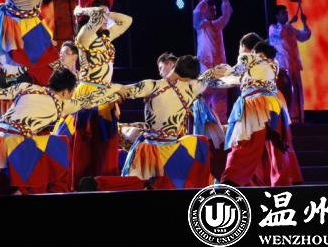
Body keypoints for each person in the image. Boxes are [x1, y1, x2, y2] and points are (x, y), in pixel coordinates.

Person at [0, 68, 123, 195]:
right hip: (13, 145)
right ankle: (53, 191)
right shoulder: (62, 104)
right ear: (66, 91)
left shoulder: (27, 87)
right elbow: (92, 98)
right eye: (71, 93)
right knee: (59, 146)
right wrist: (116, 88)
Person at [91, 55, 231, 191]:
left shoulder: (152, 85)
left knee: (139, 186)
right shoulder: (192, 88)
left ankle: (99, 184)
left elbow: (122, 90)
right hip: (173, 151)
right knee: (200, 143)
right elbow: (208, 77)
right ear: (188, 78)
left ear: (175, 66)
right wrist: (216, 71)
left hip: (149, 150)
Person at [53, 3, 132, 188]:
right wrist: (83, 11)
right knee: (87, 142)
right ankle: (82, 183)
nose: (104, 18)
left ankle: (101, 183)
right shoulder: (84, 36)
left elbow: (127, 20)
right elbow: (95, 16)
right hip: (89, 92)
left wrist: (107, 13)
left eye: (105, 15)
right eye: (101, 15)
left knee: (106, 144)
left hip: (106, 94)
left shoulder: (106, 37)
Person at [221, 41, 303, 187]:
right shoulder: (275, 65)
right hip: (274, 107)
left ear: (254, 52)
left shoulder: (248, 58)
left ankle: (230, 180)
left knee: (246, 145)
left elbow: (233, 75)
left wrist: (213, 78)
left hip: (254, 106)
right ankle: (282, 182)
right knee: (278, 147)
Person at [193, 0, 233, 122]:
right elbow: (196, 12)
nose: (213, 11)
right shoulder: (201, 25)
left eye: (214, 9)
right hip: (206, 67)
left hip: (220, 68)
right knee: (205, 98)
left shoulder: (217, 24)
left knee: (221, 99)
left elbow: (227, 14)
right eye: (210, 9)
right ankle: (204, 127)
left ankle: (221, 125)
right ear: (205, 11)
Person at [268, 5, 311, 122]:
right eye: (283, 13)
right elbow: (281, 33)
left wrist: (304, 23)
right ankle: (286, 120)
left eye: (286, 12)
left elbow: (304, 36)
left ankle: (298, 119)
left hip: (294, 65)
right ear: (277, 16)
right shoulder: (273, 28)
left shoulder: (290, 28)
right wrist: (290, 22)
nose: (286, 15)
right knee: (286, 93)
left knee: (297, 93)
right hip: (283, 67)